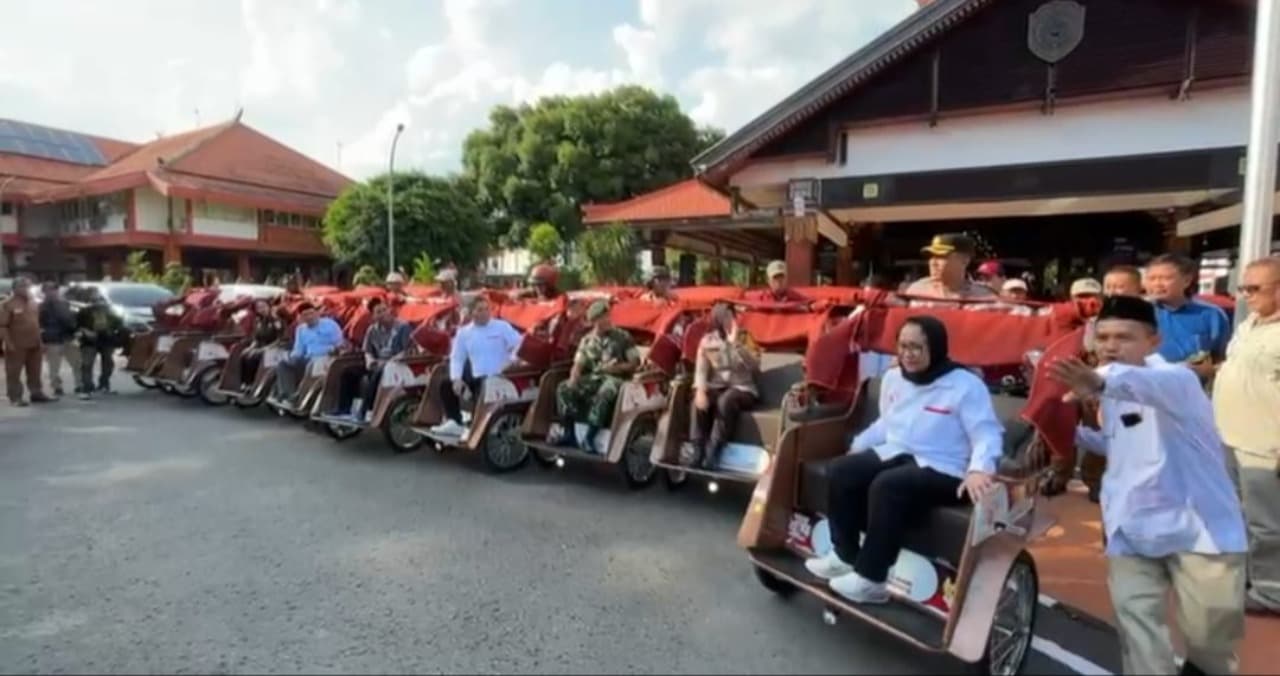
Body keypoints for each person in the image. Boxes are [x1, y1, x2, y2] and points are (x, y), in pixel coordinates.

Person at [1050, 295, 1246, 675]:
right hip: (1132, 529)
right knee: (1138, 632)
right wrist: (1065, 432)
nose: (1110, 346)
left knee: (1211, 642)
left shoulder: (1177, 380)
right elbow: (1117, 439)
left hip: (1200, 531)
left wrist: (1093, 382)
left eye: (1123, 337)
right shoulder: (1107, 385)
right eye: (1103, 337)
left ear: (1153, 341)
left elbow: (1131, 382)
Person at [804, 316, 1003, 603]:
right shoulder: (894, 378)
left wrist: (980, 469)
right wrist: (859, 446)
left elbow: (986, 432)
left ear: (935, 348)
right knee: (842, 470)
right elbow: (887, 422)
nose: (908, 354)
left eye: (916, 347)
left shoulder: (965, 385)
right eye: (903, 346)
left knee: (888, 485)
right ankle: (844, 555)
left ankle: (872, 579)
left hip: (946, 467)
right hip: (898, 451)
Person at [1213, 256, 1280, 616]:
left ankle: (1272, 593)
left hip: (1266, 446)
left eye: (1255, 288)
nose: (1245, 296)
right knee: (1236, 515)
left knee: (1267, 524)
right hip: (1230, 436)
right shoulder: (1250, 324)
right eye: (1242, 287)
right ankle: (1248, 579)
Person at [553, 300, 640, 452]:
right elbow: (578, 364)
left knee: (605, 392)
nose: (607, 320)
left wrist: (616, 368)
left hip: (616, 378)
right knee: (563, 388)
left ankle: (590, 437)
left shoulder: (622, 337)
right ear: (594, 321)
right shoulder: (587, 340)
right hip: (594, 378)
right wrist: (573, 379)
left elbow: (634, 363)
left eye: (607, 316)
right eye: (602, 318)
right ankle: (570, 433)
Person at [432, 295, 523, 436]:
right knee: (446, 384)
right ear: (471, 313)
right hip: (476, 375)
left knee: (483, 387)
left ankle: (476, 427)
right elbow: (457, 358)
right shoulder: (464, 333)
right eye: (480, 310)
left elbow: (519, 345)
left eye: (487, 309)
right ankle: (455, 422)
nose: (485, 313)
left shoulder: (502, 327)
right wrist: (456, 379)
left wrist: (511, 360)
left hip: (499, 376)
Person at [689, 302, 760, 470]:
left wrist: (736, 345)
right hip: (718, 386)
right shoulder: (708, 340)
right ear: (718, 320)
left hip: (743, 388)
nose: (731, 320)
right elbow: (701, 369)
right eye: (726, 317)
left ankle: (714, 450)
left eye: (732, 316)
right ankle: (697, 449)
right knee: (697, 402)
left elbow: (755, 365)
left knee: (725, 401)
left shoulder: (745, 337)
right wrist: (700, 390)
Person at [1145, 252, 1231, 381]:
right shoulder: (1137, 312)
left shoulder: (1211, 315)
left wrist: (1211, 370)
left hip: (1192, 390)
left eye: (1165, 278)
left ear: (1186, 281)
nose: (1157, 284)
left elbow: (1224, 358)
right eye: (1152, 279)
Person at [335, 300, 412, 420]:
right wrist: (369, 360)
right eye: (378, 312)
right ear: (373, 316)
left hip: (396, 364)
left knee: (378, 372)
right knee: (348, 372)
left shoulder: (403, 327)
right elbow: (367, 350)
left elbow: (406, 350)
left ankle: (366, 410)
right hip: (378, 362)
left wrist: (389, 362)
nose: (383, 314)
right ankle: (344, 409)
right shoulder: (372, 329)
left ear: (389, 310)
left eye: (384, 310)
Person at [272, 304, 344, 405]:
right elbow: (299, 350)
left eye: (311, 313)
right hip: (308, 357)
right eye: (305, 315)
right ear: (301, 318)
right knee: (282, 363)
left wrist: (333, 351)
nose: (309, 317)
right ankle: (287, 395)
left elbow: (340, 345)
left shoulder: (330, 325)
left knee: (312, 365)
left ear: (317, 313)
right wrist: (291, 358)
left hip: (326, 357)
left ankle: (300, 395)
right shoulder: (301, 329)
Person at [905, 233, 997, 306]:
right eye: (932, 256)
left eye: (941, 256)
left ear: (964, 260)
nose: (933, 263)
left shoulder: (984, 296)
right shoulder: (916, 291)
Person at [0, 277, 51, 406]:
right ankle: (15, 397)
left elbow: (36, 324)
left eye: (28, 286)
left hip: (34, 343)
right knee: (14, 372)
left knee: (35, 370)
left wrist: (41, 342)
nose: (26, 289)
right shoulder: (7, 304)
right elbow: (3, 326)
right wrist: (8, 343)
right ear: (15, 288)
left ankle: (36, 393)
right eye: (22, 286)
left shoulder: (33, 303)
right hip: (16, 344)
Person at [74, 289, 125, 399]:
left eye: (100, 299)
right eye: (94, 300)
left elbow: (120, 324)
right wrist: (85, 331)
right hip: (89, 341)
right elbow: (76, 325)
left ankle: (104, 384)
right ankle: (87, 387)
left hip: (106, 340)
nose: (98, 303)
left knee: (108, 363)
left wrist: (113, 332)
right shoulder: (84, 312)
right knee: (87, 364)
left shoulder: (110, 312)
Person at [39, 282, 80, 397]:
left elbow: (72, 320)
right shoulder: (41, 307)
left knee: (76, 362)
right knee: (54, 366)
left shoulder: (66, 304)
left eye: (54, 289)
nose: (51, 292)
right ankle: (57, 387)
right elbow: (38, 325)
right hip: (52, 339)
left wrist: (75, 331)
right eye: (48, 290)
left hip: (68, 337)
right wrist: (42, 340)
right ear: (44, 292)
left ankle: (79, 384)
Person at [238, 299, 283, 389]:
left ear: (268, 307)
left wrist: (267, 348)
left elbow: (280, 339)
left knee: (253, 356)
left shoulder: (276, 320)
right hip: (260, 345)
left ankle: (251, 382)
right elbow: (256, 337)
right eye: (259, 308)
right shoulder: (259, 320)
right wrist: (252, 346)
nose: (262, 309)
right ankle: (244, 382)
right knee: (244, 354)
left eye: (264, 306)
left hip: (272, 347)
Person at [745, 260, 810, 303]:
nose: (779, 281)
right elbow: (742, 299)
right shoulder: (760, 298)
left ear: (786, 279)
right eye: (775, 277)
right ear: (768, 281)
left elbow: (810, 303)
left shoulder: (797, 298)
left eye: (781, 277)